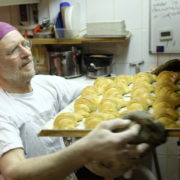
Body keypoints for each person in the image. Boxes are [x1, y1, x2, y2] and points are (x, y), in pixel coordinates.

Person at [0, 22, 149, 180]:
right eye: (13, 50)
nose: (26, 53)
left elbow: (100, 90)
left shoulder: (45, 84)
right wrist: (85, 150)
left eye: (25, 44)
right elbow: (14, 172)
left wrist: (148, 80)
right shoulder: (3, 108)